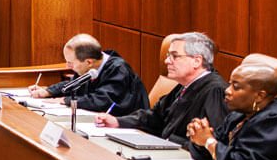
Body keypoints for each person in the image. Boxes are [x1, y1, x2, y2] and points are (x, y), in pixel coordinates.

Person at [95, 31, 228, 144]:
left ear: (197, 61)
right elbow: (155, 117)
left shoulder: (215, 90)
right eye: (168, 55)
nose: (167, 61)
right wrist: (117, 122)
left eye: (174, 56)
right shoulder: (185, 85)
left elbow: (213, 139)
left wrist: (170, 141)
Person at [25, 33, 145, 116]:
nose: (68, 66)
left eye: (70, 63)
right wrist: (48, 91)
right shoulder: (90, 67)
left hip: (128, 129)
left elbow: (102, 101)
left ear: (88, 62)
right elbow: (74, 85)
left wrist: (65, 101)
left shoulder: (118, 70)